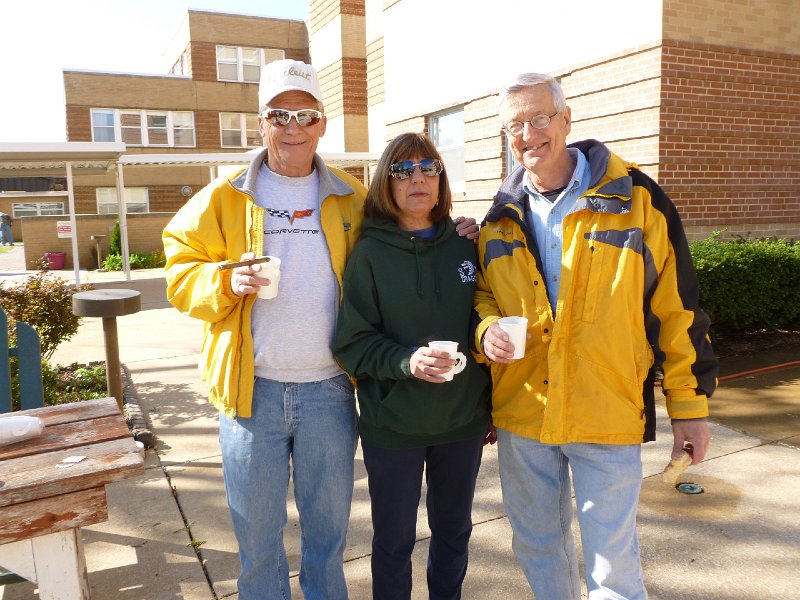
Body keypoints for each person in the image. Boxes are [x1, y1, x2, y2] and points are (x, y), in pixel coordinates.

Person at [162, 60, 478, 600]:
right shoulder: (224, 195)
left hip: (330, 393)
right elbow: (178, 269)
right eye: (280, 115)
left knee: (327, 539)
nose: (293, 127)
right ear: (261, 122)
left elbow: (409, 237)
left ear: (322, 124)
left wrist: (457, 230)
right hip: (249, 393)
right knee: (259, 545)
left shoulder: (351, 197)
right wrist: (223, 280)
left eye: (305, 115)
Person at [473, 72, 719, 599]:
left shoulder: (638, 198)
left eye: (539, 118)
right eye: (514, 124)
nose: (528, 133)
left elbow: (677, 311)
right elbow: (482, 299)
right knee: (538, 546)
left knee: (612, 565)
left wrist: (689, 409)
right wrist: (486, 328)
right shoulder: (497, 220)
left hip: (605, 410)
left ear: (566, 119)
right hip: (524, 414)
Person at [332, 132, 492, 600]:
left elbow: (488, 317)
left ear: (442, 179)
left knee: (453, 534)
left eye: (429, 168)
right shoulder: (370, 253)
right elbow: (352, 342)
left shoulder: (467, 244)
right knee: (394, 541)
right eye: (404, 171)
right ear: (387, 182)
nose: (418, 179)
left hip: (461, 422)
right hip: (393, 425)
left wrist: (493, 408)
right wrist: (405, 361)